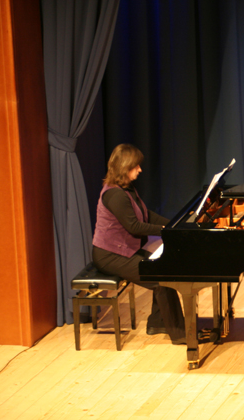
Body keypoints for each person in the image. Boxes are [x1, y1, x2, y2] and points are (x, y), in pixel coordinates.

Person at [92, 144, 186, 344]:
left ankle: (158, 323)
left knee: (164, 268)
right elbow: (134, 226)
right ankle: (180, 335)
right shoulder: (115, 195)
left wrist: (174, 225)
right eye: (136, 166)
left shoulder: (127, 189)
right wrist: (166, 231)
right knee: (160, 278)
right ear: (125, 166)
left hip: (124, 250)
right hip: (110, 255)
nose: (140, 169)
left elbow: (145, 214)